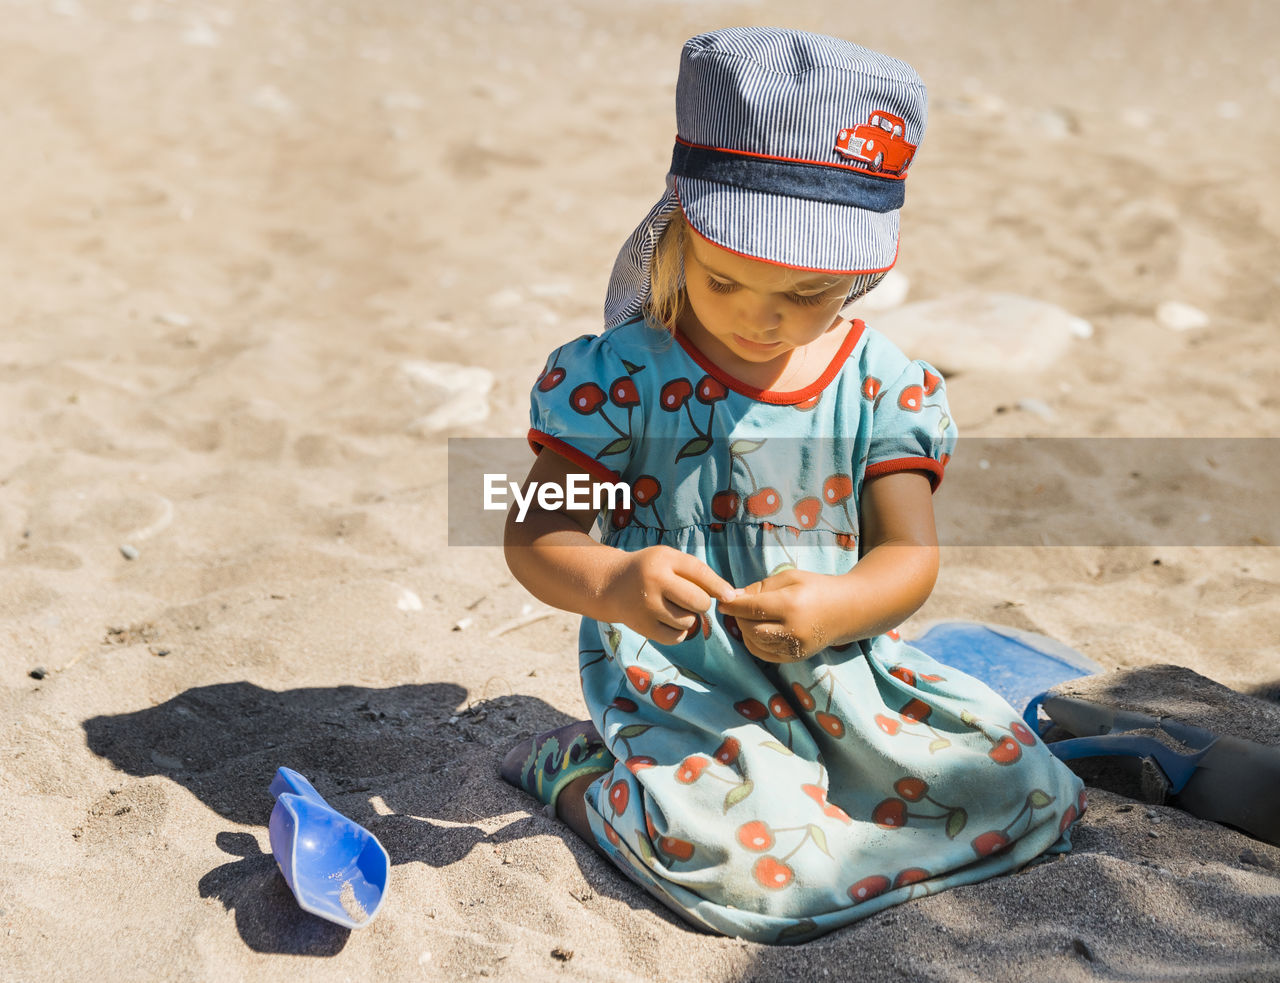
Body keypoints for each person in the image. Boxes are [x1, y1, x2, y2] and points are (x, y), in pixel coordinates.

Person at [499, 26, 1085, 944]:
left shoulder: (880, 381)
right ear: (679, 228)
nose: (762, 319)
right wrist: (613, 582)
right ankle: (578, 781)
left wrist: (848, 601)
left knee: (1018, 782)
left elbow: (909, 555)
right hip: (685, 688)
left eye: (809, 291)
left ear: (864, 269)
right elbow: (535, 536)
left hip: (848, 674)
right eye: (726, 278)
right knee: (741, 855)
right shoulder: (619, 376)